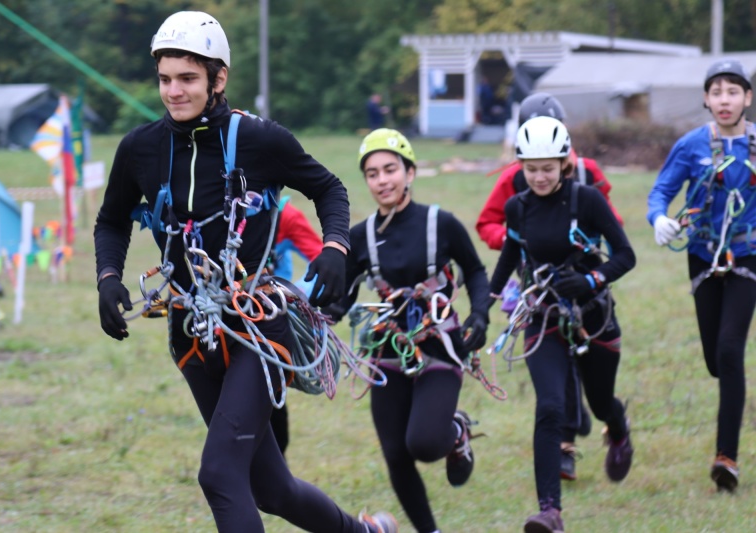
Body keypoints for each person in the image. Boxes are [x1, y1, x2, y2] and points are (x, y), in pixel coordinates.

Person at [94, 11, 397, 533]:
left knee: (219, 474)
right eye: (165, 79)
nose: (173, 91)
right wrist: (107, 277)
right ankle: (365, 531)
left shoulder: (259, 140)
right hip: (191, 333)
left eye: (187, 78)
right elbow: (111, 220)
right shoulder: (140, 148)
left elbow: (329, 188)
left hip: (260, 327)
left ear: (218, 78)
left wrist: (335, 246)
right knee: (268, 487)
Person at [325, 128, 491, 533]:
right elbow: (341, 296)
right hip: (386, 352)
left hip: (440, 348)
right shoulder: (361, 237)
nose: (382, 180)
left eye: (390, 169)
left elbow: (475, 270)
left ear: (410, 172)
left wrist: (480, 315)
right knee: (396, 454)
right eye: (373, 173)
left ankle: (455, 430)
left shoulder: (441, 224)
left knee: (423, 444)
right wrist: (319, 319)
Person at [488, 116, 636, 532]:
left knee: (601, 401)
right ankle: (549, 511)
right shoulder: (517, 207)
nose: (538, 177)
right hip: (543, 315)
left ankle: (618, 428)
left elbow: (625, 255)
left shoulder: (587, 200)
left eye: (547, 168)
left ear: (564, 164)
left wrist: (590, 279)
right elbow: (509, 258)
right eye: (530, 169)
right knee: (550, 407)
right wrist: (487, 302)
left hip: (593, 316)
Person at [647, 58, 756, 493]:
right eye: (717, 91)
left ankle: (725, 458)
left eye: (733, 90)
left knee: (730, 350)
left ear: (748, 97)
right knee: (716, 360)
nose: (725, 99)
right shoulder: (691, 145)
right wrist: (658, 219)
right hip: (703, 257)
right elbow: (661, 191)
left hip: (749, 255)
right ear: (707, 99)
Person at [269, 197, 324, 456]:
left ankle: (273, 480)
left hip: (270, 319)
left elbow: (322, 261)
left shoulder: (285, 216)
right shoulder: (213, 209)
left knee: (270, 398)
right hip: (223, 318)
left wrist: (296, 294)